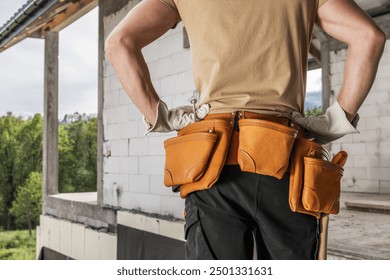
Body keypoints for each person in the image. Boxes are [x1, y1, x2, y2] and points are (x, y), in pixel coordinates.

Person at [105, 0, 386, 260]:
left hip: (214, 165)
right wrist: (336, 120)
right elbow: (368, 37)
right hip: (285, 162)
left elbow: (119, 42)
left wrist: (159, 116)